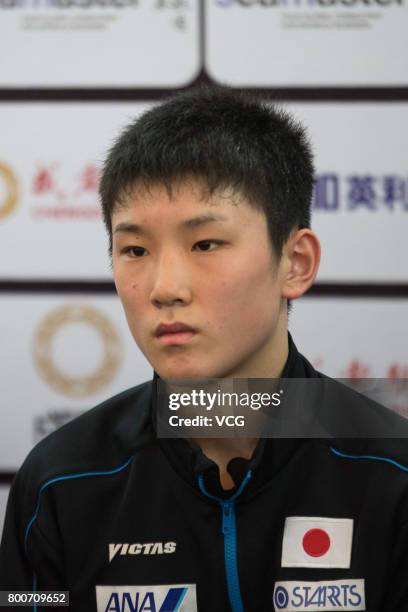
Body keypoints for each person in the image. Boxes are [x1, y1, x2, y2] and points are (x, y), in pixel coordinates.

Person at [1, 87, 408, 612]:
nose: (165, 287)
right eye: (135, 250)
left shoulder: (392, 475)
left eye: (205, 244)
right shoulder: (59, 482)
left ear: (296, 262)